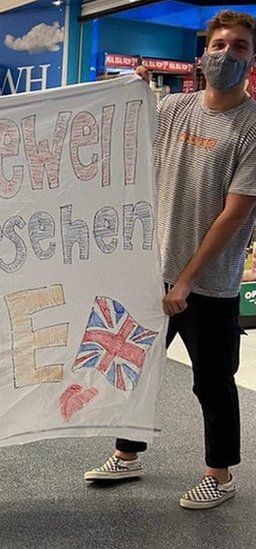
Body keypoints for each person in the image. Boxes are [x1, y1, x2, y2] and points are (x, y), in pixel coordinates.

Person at [84, 10, 256, 510]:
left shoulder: (250, 128)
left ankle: (219, 475)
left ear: (252, 58)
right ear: (203, 52)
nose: (227, 53)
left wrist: (184, 281)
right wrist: (126, 92)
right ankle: (126, 453)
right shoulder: (175, 110)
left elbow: (234, 215)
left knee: (212, 381)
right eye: (219, 44)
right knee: (135, 368)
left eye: (239, 46)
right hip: (152, 271)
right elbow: (122, 135)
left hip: (209, 283)